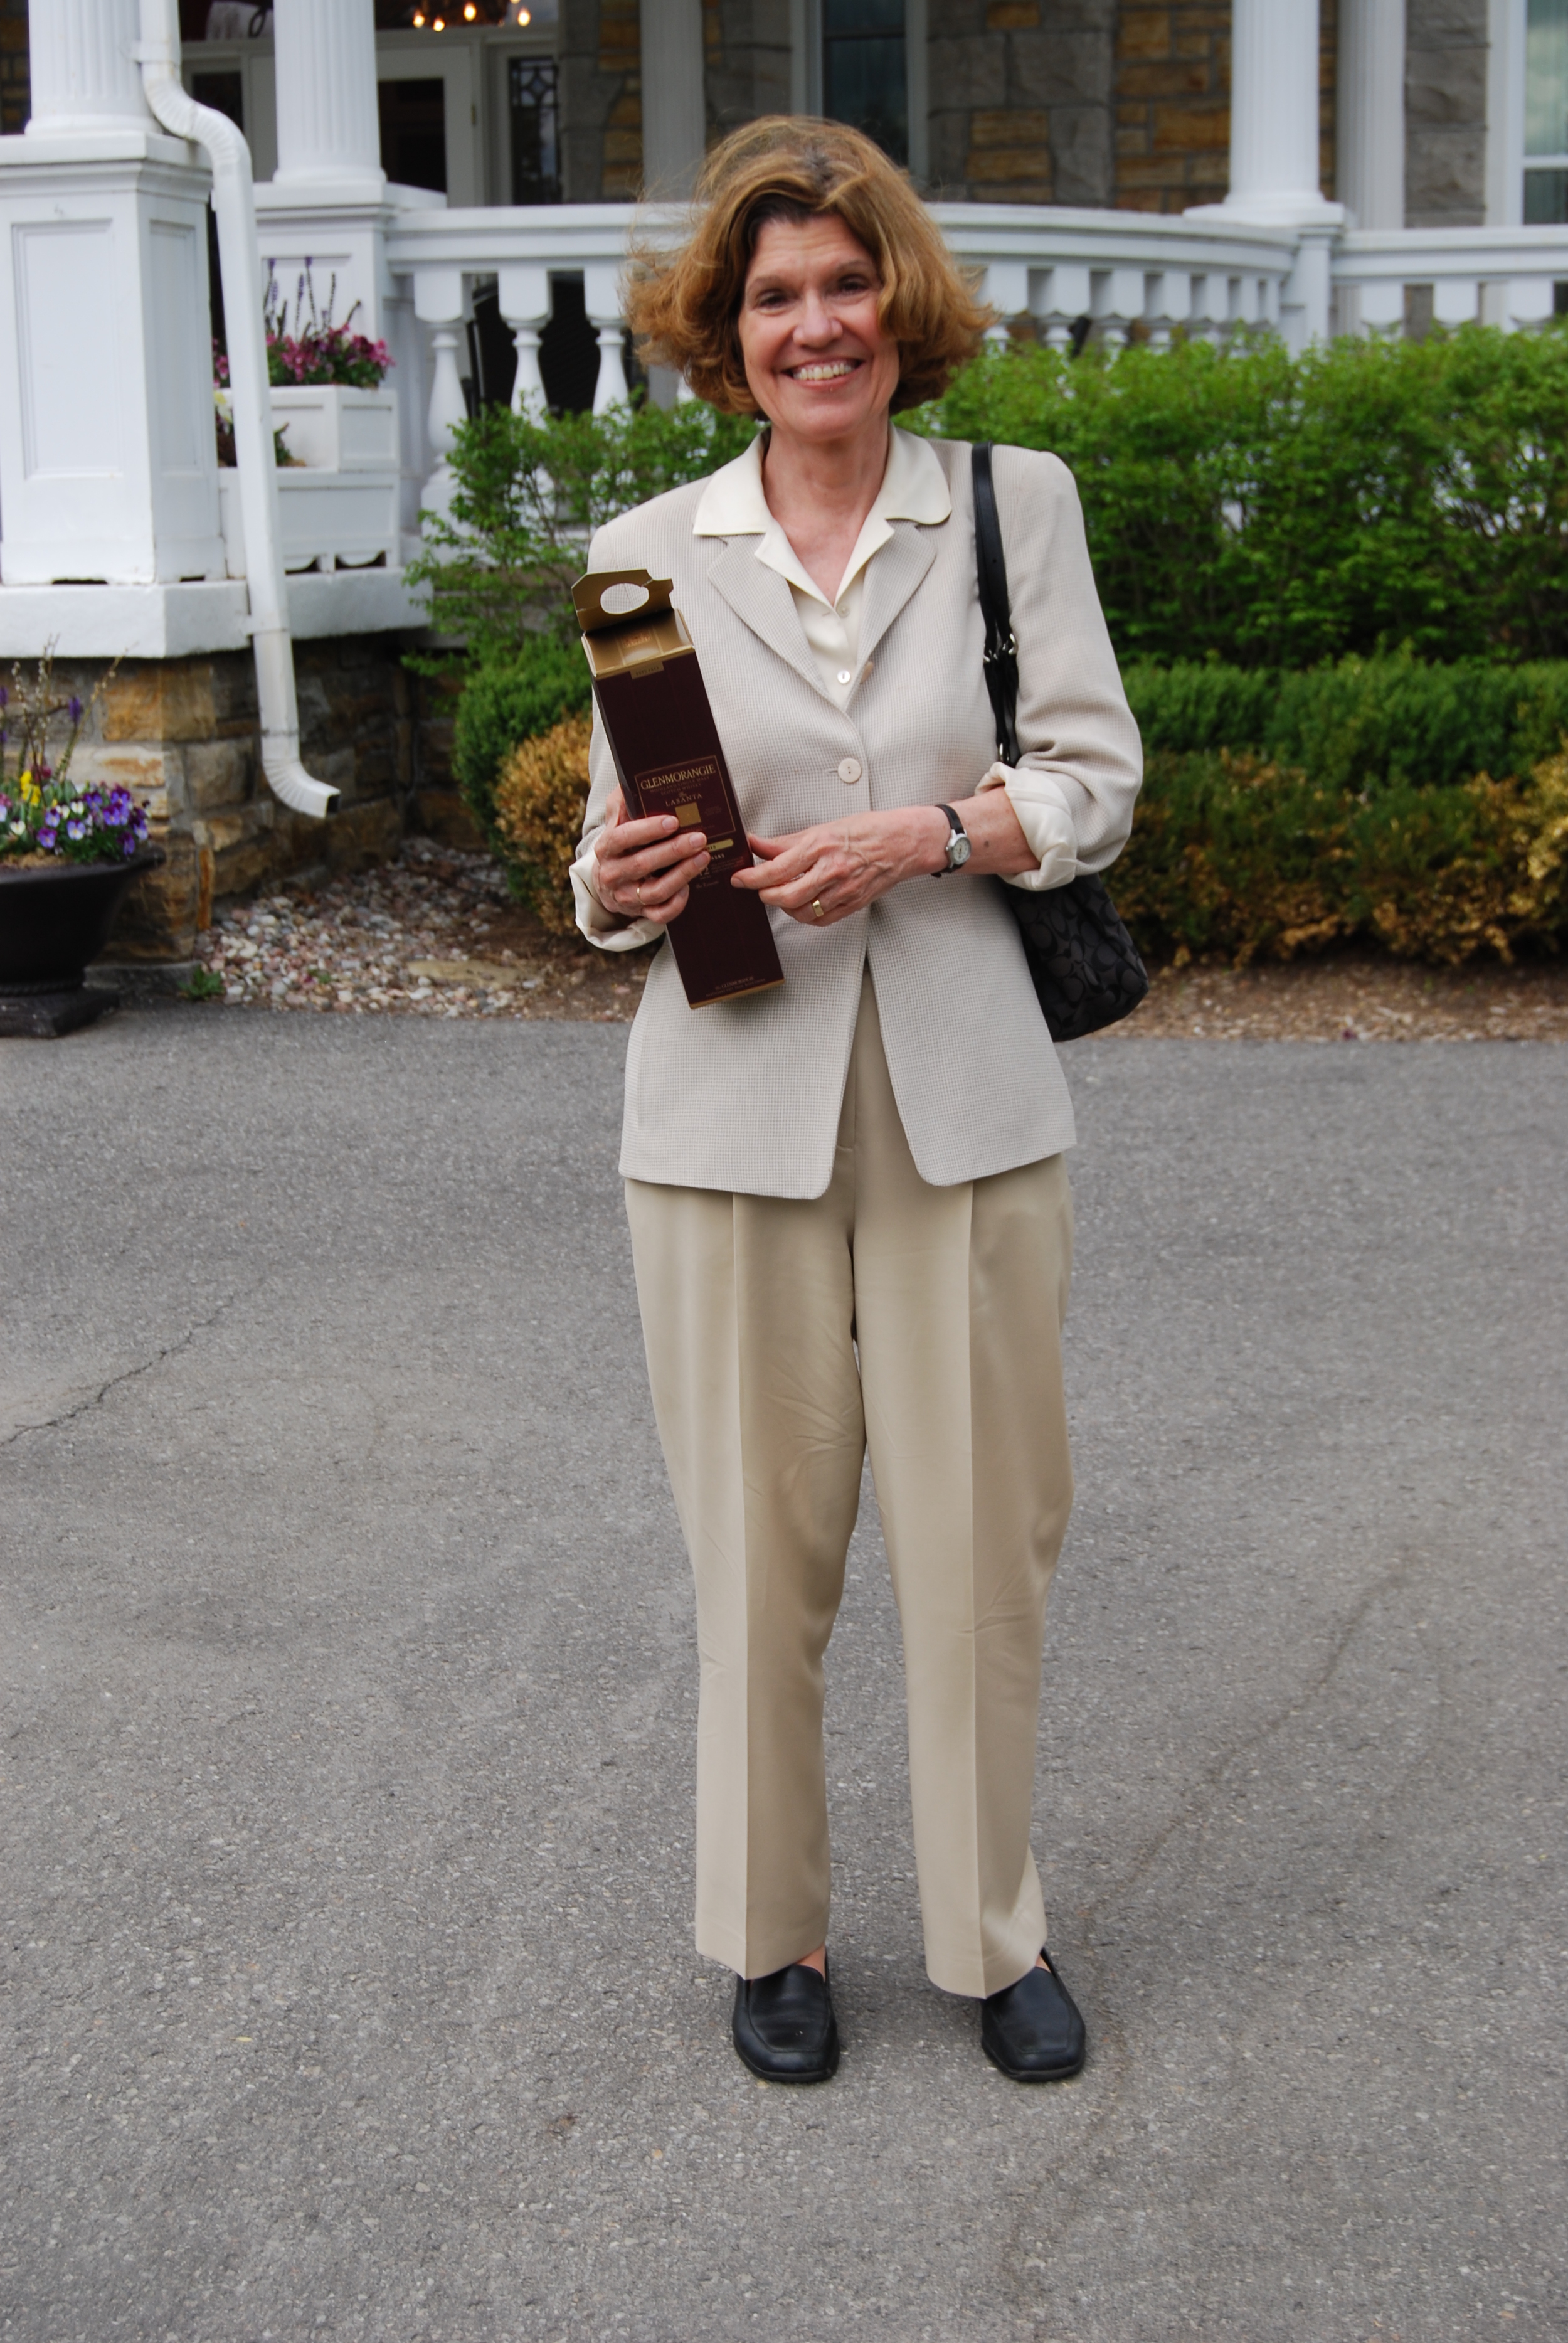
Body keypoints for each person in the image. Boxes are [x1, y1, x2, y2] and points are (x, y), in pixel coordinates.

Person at [569, 117, 1142, 2086]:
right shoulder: (645, 553)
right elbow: (608, 845)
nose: (817, 327)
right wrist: (611, 888)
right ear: (723, 337)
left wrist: (925, 832)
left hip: (967, 1104)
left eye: (845, 286)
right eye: (773, 298)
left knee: (986, 1539)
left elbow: (1091, 782)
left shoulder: (1012, 506)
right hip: (725, 1106)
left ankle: (995, 1938)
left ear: (899, 304)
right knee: (756, 1538)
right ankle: (771, 1933)